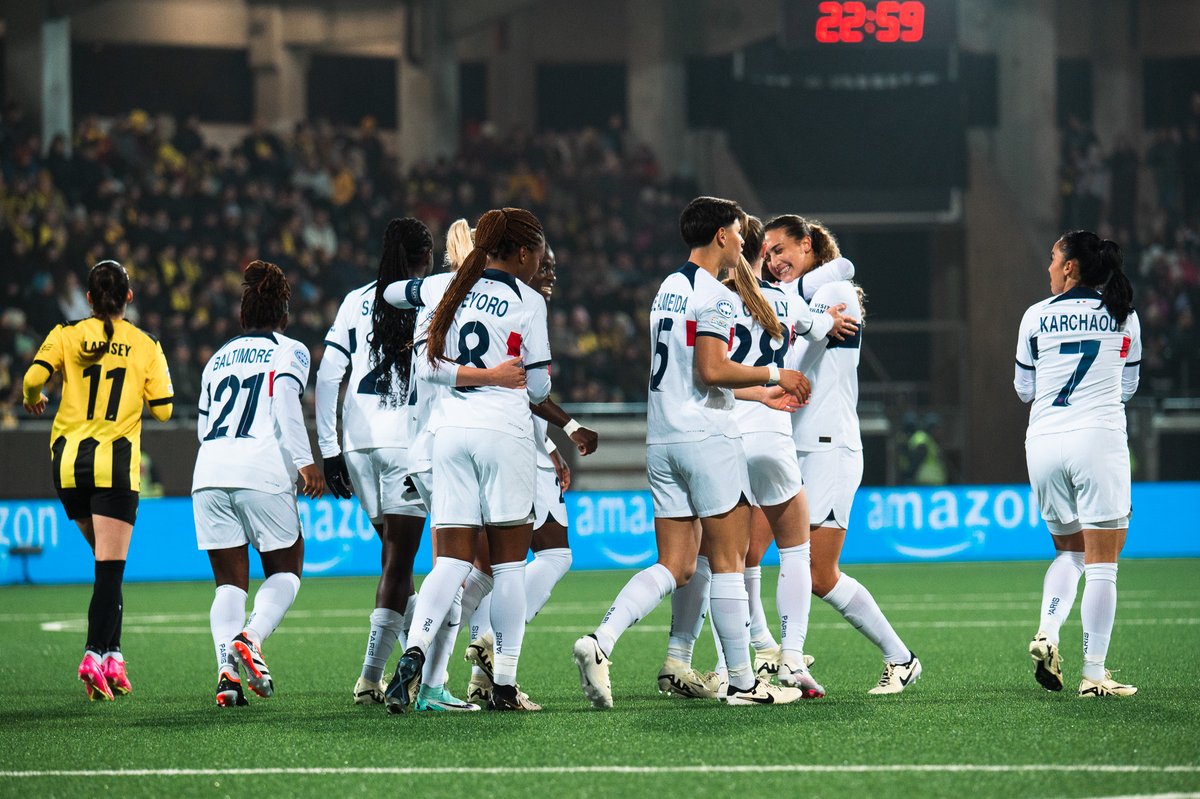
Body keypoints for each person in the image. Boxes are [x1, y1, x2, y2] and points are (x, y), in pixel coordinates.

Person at [573, 197, 812, 709]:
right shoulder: (716, 294)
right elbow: (711, 370)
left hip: (662, 440)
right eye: (737, 231)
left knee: (676, 565)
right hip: (708, 439)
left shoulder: (668, 288)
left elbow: (687, 372)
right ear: (723, 236)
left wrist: (753, 393)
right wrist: (776, 374)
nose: (744, 240)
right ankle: (746, 686)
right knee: (728, 562)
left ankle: (600, 641)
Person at [381, 207, 552, 713]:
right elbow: (538, 385)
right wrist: (501, 376)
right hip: (504, 433)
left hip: (450, 435)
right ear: (523, 252)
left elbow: (426, 368)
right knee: (510, 565)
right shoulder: (528, 300)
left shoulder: (446, 288)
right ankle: (503, 683)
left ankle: (412, 652)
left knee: (451, 560)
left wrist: (476, 376)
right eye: (538, 251)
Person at [763, 214, 922, 695]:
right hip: (790, 443)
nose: (772, 262)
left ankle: (901, 657)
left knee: (817, 572)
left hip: (828, 445)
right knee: (755, 555)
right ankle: (776, 657)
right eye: (766, 254)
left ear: (808, 244)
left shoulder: (836, 295)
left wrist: (805, 296)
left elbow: (795, 363)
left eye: (780, 250)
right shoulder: (801, 295)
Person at [23, 260, 174, 701]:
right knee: (110, 570)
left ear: (88, 298)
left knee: (108, 569)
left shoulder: (65, 334)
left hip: (68, 464)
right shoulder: (145, 344)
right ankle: (94, 652)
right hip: (114, 466)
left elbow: (32, 380)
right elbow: (164, 408)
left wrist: (36, 398)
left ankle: (115, 658)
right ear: (129, 296)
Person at [462, 245, 598, 705]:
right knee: (550, 556)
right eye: (546, 263)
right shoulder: (523, 305)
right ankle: (488, 645)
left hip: (506, 444)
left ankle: (458, 664)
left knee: (486, 568)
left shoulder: (495, 303)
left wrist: (551, 448)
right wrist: (572, 426)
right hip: (512, 446)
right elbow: (525, 389)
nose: (551, 272)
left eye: (556, 265)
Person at [314, 218, 437, 707]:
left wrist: (329, 450)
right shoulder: (430, 296)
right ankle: (371, 677)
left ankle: (416, 659)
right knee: (399, 561)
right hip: (405, 444)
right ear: (423, 260)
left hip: (359, 443)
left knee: (395, 560)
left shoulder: (354, 300)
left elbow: (328, 376)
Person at [192, 260, 325, 708]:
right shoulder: (291, 350)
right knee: (286, 570)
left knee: (229, 585)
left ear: (242, 317)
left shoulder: (215, 359)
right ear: (284, 315)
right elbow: (287, 403)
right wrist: (307, 463)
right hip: (260, 468)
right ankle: (250, 639)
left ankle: (226, 676)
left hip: (208, 472)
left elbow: (203, 426)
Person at [1015, 230, 1140, 698]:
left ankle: (1047, 631)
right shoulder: (1123, 315)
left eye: (1052, 258)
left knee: (1069, 551)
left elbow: (1024, 390)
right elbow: (1128, 386)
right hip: (1098, 440)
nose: (1048, 266)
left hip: (1043, 441)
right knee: (1103, 562)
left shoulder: (1034, 316)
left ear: (1070, 267)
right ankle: (1093, 673)